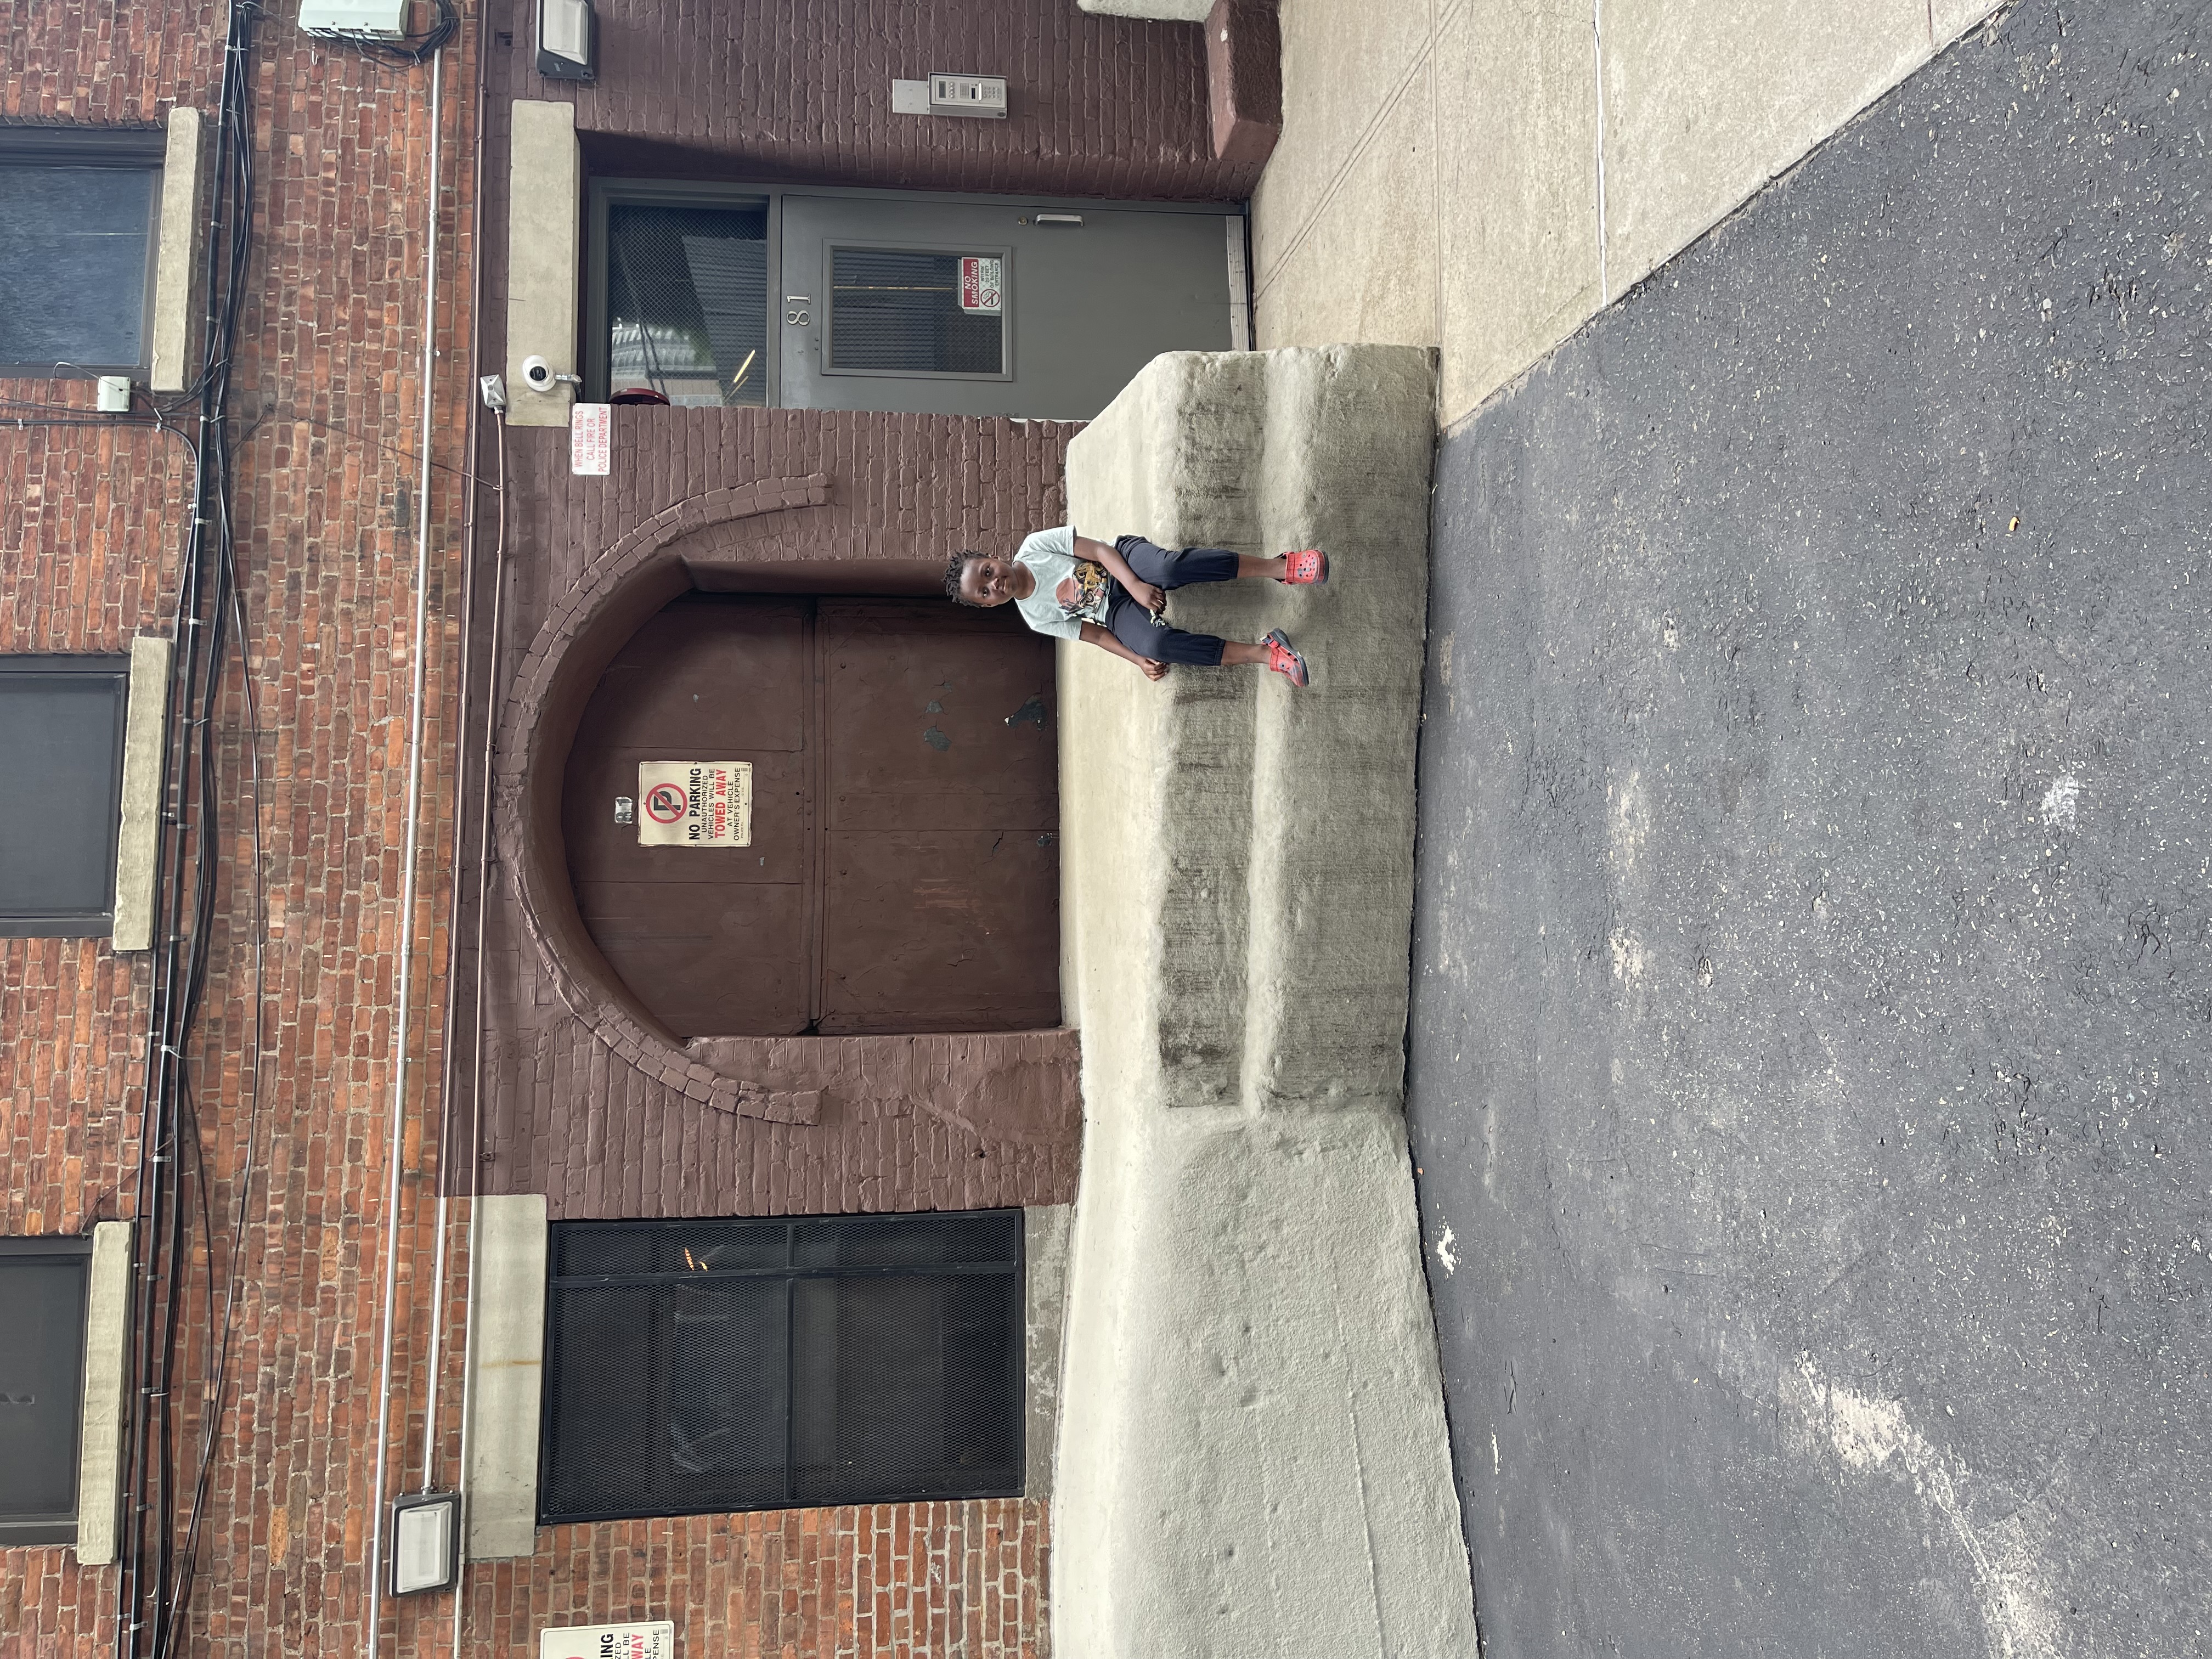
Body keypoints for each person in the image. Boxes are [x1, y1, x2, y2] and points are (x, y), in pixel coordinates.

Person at [944, 528, 1325, 685]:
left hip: (1122, 563)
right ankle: (1268, 653)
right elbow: (1092, 633)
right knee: (1155, 646)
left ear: (993, 557)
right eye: (985, 592)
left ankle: (1282, 567)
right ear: (989, 605)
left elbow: (1098, 551)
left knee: (1168, 567)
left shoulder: (1034, 547)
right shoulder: (1035, 616)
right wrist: (1137, 659)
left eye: (988, 572)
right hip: (1112, 612)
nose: (995, 583)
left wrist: (1136, 584)